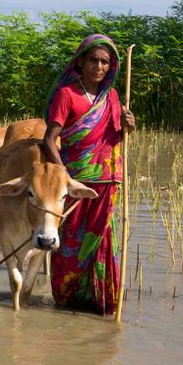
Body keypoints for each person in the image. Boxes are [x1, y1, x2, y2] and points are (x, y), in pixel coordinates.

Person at [42, 34, 136, 315]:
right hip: (76, 184)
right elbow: (49, 140)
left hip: (107, 182)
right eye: (93, 60)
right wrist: (64, 177)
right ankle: (67, 297)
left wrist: (130, 125)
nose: (99, 66)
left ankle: (100, 301)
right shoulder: (67, 94)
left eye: (105, 62)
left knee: (102, 241)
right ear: (80, 62)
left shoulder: (113, 97)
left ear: (111, 66)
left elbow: (115, 135)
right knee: (70, 241)